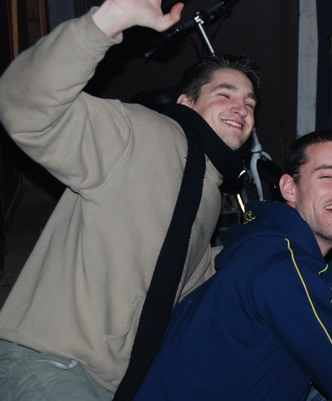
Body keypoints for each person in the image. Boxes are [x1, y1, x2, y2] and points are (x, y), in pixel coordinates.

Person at [0, 0, 259, 399]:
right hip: (52, 361)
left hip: (116, 383)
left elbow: (184, 279)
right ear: (186, 103)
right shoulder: (137, 132)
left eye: (250, 104)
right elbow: (26, 104)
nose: (241, 108)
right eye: (225, 94)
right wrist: (109, 19)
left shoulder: (209, 190)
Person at [133, 130, 332, 400]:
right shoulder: (283, 266)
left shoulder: (269, 242)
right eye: (327, 176)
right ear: (289, 188)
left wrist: (331, 344)